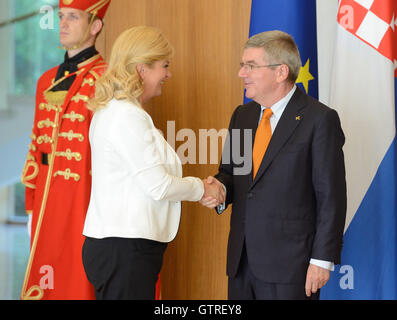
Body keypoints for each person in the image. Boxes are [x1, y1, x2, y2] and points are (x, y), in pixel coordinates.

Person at [200, 30, 347, 300]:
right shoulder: (242, 116)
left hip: (292, 267)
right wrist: (220, 188)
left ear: (281, 72)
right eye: (242, 65)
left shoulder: (319, 120)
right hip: (241, 263)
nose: (241, 73)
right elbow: (232, 174)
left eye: (250, 66)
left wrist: (321, 259)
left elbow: (331, 197)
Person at [81, 26, 225, 300]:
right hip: (124, 251)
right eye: (164, 66)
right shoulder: (126, 116)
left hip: (122, 249)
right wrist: (201, 188)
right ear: (141, 69)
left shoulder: (120, 111)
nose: (168, 74)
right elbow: (158, 185)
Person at [20, 0, 111, 300]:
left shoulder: (108, 79)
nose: (63, 24)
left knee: (77, 273)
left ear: (95, 26)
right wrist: (31, 201)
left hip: (83, 195)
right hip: (47, 191)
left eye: (73, 17)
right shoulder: (46, 79)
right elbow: (36, 145)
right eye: (61, 17)